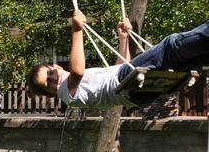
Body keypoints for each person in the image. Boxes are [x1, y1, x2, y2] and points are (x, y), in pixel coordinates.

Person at [26, 10, 209, 109]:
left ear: (56, 66)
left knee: (190, 60)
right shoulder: (67, 94)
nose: (53, 78)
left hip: (132, 89)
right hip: (126, 84)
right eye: (48, 83)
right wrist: (76, 30)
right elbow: (77, 70)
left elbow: (121, 67)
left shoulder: (76, 86)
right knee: (171, 45)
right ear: (51, 94)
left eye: (50, 73)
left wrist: (123, 39)